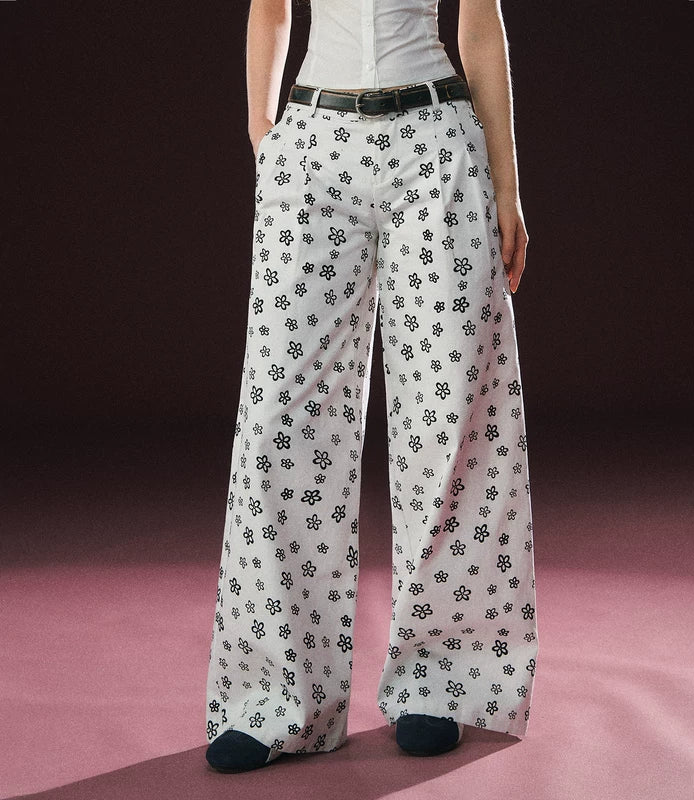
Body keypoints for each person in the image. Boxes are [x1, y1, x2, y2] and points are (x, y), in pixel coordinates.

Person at [204, 0, 538, 772]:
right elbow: (269, 9)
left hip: (435, 139)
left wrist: (506, 185)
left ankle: (442, 680)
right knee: (278, 420)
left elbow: (478, 24)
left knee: (450, 411)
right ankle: (275, 696)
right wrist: (265, 137)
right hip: (314, 142)